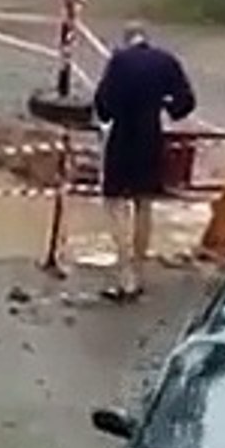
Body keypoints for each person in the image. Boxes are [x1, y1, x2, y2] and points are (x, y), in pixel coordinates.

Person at [94, 21, 196, 302]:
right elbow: (185, 102)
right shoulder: (166, 61)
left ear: (127, 40)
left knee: (114, 201)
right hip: (151, 136)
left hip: (122, 136)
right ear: (147, 39)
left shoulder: (119, 61)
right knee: (143, 203)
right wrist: (165, 106)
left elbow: (103, 104)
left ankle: (123, 268)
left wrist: (106, 115)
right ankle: (138, 272)